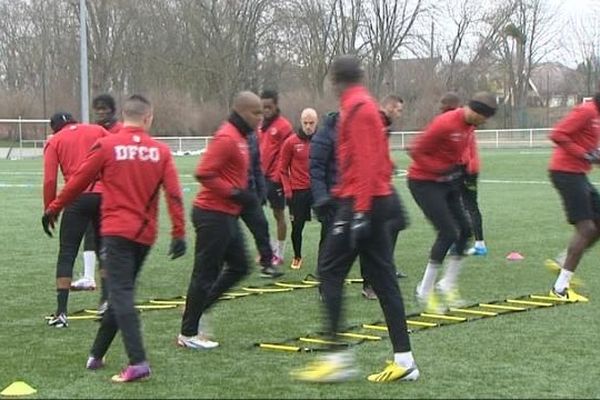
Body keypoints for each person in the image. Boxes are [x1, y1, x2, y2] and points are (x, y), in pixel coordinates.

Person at [42, 94, 187, 383]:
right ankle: (97, 354)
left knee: (121, 295)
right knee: (122, 291)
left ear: (124, 115)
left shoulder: (107, 145)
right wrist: (179, 232)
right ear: (149, 118)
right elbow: (173, 194)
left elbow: (79, 180)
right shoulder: (160, 151)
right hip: (145, 235)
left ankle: (138, 361)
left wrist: (53, 208)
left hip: (116, 232)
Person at [292, 55, 419, 383]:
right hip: (371, 201)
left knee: (330, 272)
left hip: (365, 204)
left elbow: (365, 164)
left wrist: (359, 211)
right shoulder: (365, 105)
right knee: (384, 280)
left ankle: (337, 359)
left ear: (336, 80)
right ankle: (404, 360)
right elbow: (381, 162)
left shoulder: (359, 109)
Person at [178, 91, 263, 349]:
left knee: (240, 266)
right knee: (205, 273)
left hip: (227, 213)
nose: (260, 118)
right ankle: (188, 333)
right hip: (212, 213)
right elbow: (203, 172)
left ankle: (199, 308)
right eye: (256, 113)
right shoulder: (227, 137)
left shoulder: (242, 137)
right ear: (242, 111)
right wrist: (234, 193)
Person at [409, 92, 497, 314]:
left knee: (465, 230)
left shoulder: (470, 127)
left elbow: (455, 152)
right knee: (447, 232)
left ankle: (447, 283)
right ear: (476, 112)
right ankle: (424, 290)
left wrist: (462, 168)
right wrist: (439, 169)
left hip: (447, 182)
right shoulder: (445, 123)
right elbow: (415, 150)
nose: (485, 123)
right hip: (424, 182)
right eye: (484, 118)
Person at [42, 112, 109, 327]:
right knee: (104, 250)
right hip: (103, 196)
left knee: (67, 252)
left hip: (76, 197)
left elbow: (50, 179)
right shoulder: (97, 130)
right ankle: (106, 304)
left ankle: (61, 313)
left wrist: (50, 209)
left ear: (55, 128)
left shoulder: (55, 141)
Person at [545, 93, 600, 302]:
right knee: (586, 228)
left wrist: (594, 154)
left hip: (578, 173)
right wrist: (586, 155)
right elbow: (557, 134)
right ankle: (560, 289)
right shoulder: (586, 111)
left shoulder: (596, 115)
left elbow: (587, 145)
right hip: (565, 172)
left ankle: (562, 263)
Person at [72, 94, 123, 293]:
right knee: (91, 231)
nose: (101, 112)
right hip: (96, 189)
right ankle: (89, 276)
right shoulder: (94, 130)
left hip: (114, 189)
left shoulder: (118, 130)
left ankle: (112, 278)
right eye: (98, 109)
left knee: (111, 234)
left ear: (112, 110)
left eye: (104, 108)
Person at [361, 94, 410, 299]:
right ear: (389, 106)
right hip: (370, 188)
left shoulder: (385, 124)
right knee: (372, 234)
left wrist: (388, 165)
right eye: (398, 109)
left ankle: (385, 266)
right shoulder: (377, 122)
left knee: (396, 222)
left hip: (381, 185)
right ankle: (368, 283)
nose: (400, 113)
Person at [440, 92, 489, 256]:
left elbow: (464, 150)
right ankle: (474, 243)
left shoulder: (458, 122)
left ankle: (469, 244)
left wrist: (462, 168)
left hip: (465, 169)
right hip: (467, 168)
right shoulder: (462, 121)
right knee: (464, 206)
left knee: (462, 206)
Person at [240, 127, 282, 278]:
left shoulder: (252, 137)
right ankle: (217, 266)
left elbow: (257, 166)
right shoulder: (227, 136)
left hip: (249, 192)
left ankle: (267, 265)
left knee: (261, 226)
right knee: (225, 232)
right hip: (231, 194)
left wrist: (261, 192)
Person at [259, 90, 293, 265]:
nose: (265, 110)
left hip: (276, 179)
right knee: (255, 214)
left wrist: (276, 177)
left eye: (269, 107)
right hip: (260, 178)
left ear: (276, 105)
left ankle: (279, 253)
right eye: (262, 107)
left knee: (278, 214)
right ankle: (268, 248)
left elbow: (285, 154)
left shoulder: (284, 126)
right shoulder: (261, 125)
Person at [279, 108, 317, 269]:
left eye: (311, 123)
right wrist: (288, 190)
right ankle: (297, 256)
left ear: (316, 123)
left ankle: (328, 257)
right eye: (305, 123)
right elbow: (282, 169)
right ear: (301, 122)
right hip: (298, 192)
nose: (308, 126)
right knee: (297, 226)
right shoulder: (291, 142)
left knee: (330, 222)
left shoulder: (321, 141)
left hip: (317, 190)